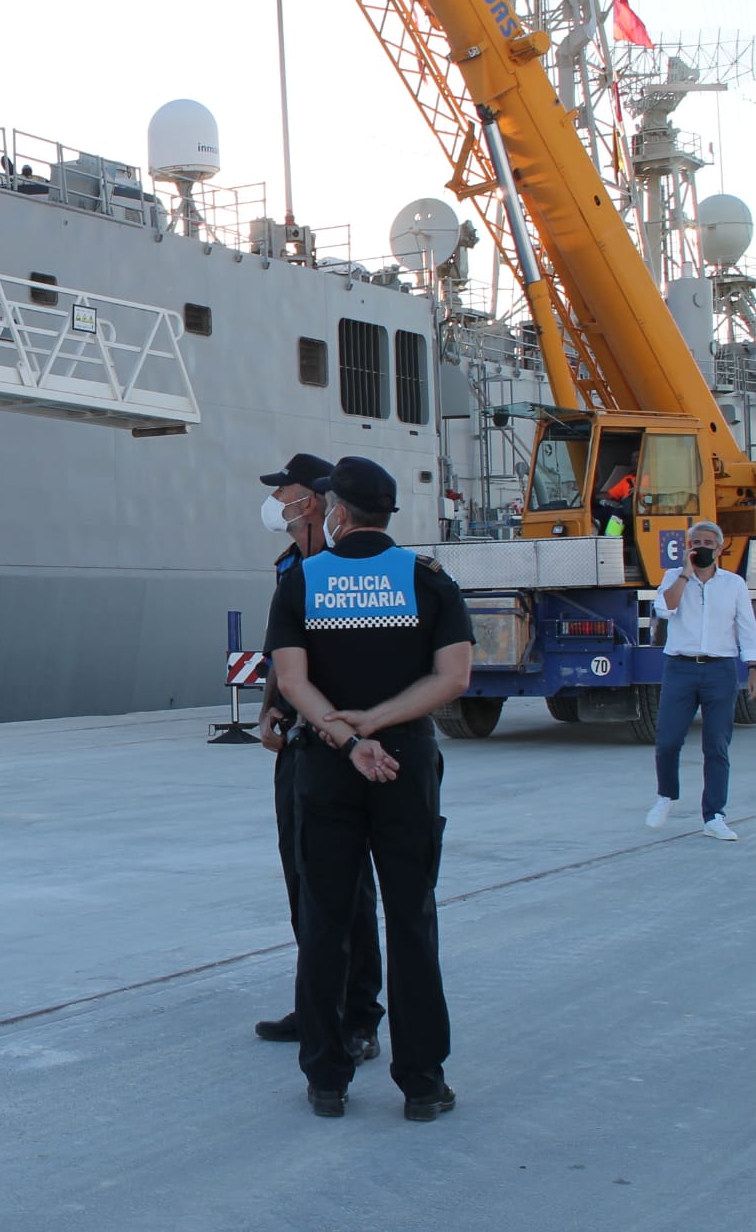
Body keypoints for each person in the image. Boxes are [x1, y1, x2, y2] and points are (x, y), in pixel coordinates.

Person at [265, 456, 473, 1122]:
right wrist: (380, 725)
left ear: (339, 512)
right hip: (405, 762)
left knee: (326, 917)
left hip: (328, 764)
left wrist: (347, 738)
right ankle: (421, 1082)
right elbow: (456, 677)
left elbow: (292, 681)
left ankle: (327, 1077)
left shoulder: (302, 581)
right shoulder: (427, 580)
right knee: (411, 917)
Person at [254, 453, 384, 1066]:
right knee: (303, 878)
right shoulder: (292, 568)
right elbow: (283, 653)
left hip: (350, 745)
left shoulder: (347, 571)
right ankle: (316, 1004)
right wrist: (270, 710)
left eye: (288, 493)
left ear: (319, 502)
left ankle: (358, 1015)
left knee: (350, 888)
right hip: (302, 745)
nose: (279, 503)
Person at [647, 520, 756, 841]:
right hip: (680, 668)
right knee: (668, 740)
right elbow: (665, 608)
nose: (701, 547)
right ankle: (666, 796)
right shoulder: (674, 578)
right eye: (696, 542)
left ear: (720, 548)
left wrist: (753, 666)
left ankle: (714, 815)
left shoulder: (734, 584)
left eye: (708, 543)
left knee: (716, 745)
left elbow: (746, 626)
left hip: (719, 670)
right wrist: (685, 572)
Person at [595, 452, 638, 536]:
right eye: (633, 458)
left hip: (639, 510)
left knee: (618, 514)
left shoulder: (651, 478)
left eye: (637, 457)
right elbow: (611, 494)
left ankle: (610, 541)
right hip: (626, 507)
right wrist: (591, 496)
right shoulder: (628, 479)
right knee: (597, 512)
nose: (634, 461)